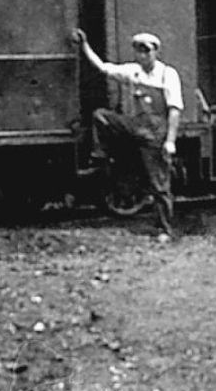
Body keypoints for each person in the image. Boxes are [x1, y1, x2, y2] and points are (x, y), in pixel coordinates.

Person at [72, 28, 182, 240]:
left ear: (155, 52)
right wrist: (85, 44)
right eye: (139, 51)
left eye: (147, 51)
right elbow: (103, 68)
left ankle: (164, 229)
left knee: (159, 184)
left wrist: (170, 141)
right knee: (101, 116)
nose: (143, 55)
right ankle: (100, 155)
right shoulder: (132, 71)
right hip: (135, 127)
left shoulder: (168, 74)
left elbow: (175, 110)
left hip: (154, 134)